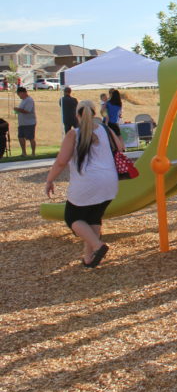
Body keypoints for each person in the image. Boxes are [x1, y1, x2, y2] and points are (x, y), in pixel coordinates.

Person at [44, 100, 121, 268]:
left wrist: (50, 180)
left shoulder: (73, 134)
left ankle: (98, 246)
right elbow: (120, 148)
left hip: (86, 183)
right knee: (93, 217)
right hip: (109, 181)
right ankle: (89, 257)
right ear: (94, 114)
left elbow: (61, 162)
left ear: (77, 115)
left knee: (72, 217)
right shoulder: (105, 130)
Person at [14, 86, 37, 156]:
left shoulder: (29, 100)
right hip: (22, 123)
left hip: (29, 123)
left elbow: (27, 111)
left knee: (31, 138)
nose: (19, 96)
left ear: (22, 93)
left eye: (19, 94)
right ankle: (24, 152)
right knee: (20, 137)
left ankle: (33, 153)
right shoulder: (23, 101)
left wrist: (18, 109)